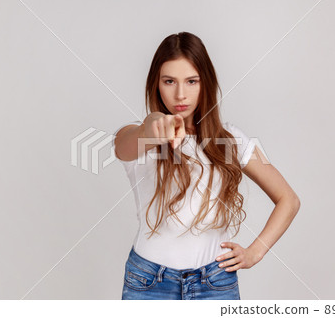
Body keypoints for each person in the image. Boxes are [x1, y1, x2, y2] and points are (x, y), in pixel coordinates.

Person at [112, 32, 300, 300]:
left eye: (191, 81)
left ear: (206, 84)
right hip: (149, 285)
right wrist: (156, 127)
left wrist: (254, 252)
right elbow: (130, 141)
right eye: (169, 81)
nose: (180, 94)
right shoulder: (139, 137)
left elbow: (288, 200)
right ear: (156, 84)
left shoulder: (230, 141)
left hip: (215, 284)